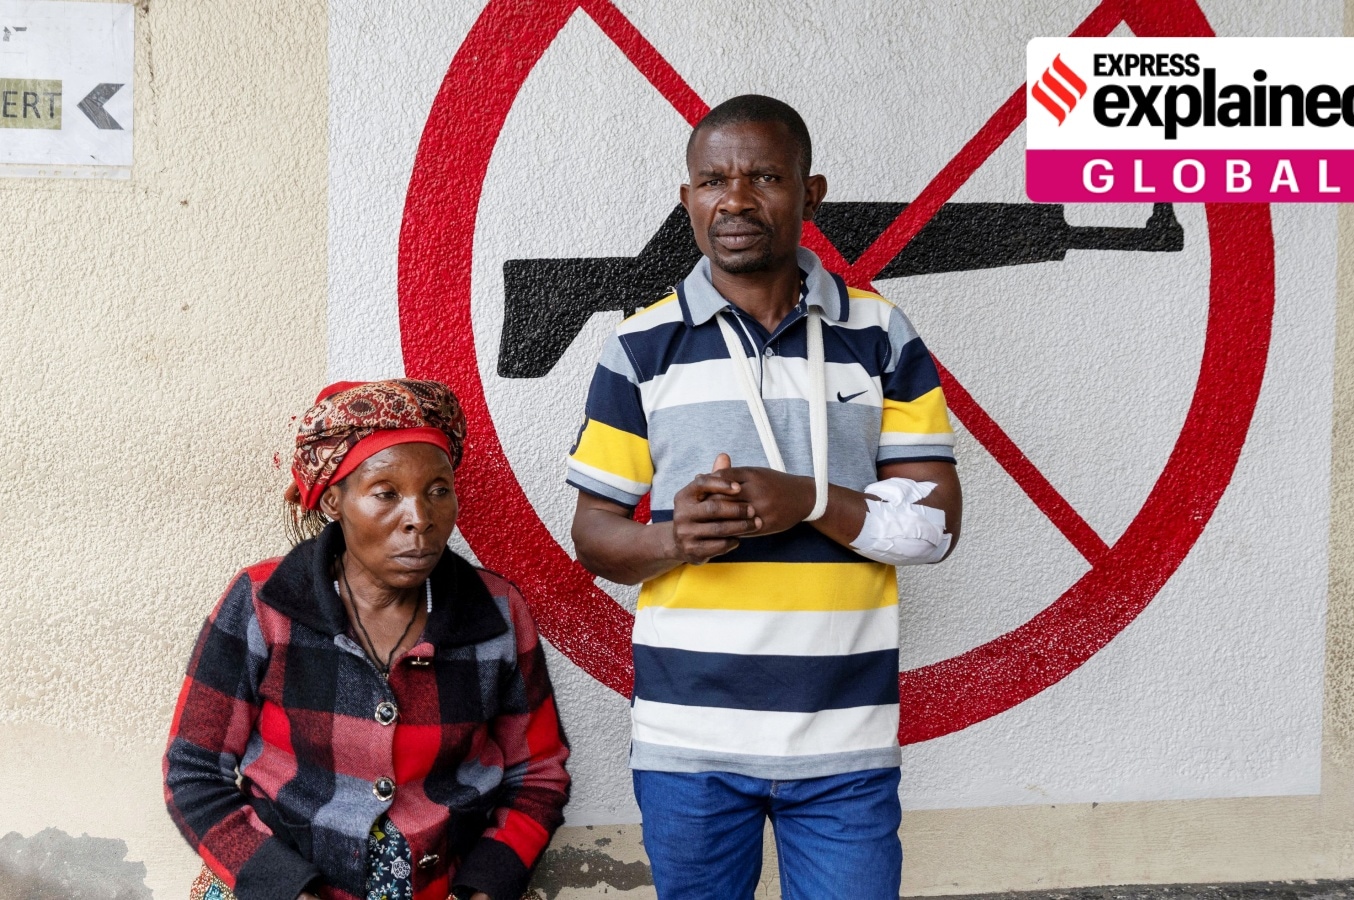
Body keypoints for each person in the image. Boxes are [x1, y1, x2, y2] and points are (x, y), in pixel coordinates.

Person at [566, 95, 962, 899]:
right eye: (714, 181)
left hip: (844, 740)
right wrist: (674, 538)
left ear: (811, 194)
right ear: (688, 200)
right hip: (688, 745)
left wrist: (808, 500)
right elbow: (593, 536)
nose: (736, 200)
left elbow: (937, 528)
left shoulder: (880, 334)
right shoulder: (639, 345)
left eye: (765, 178)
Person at [165, 379, 570, 900]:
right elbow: (193, 770)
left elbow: (537, 776)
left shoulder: (495, 612)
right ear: (334, 501)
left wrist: (485, 886)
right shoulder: (264, 603)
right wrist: (283, 887)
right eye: (386, 493)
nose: (419, 519)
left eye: (438, 490)